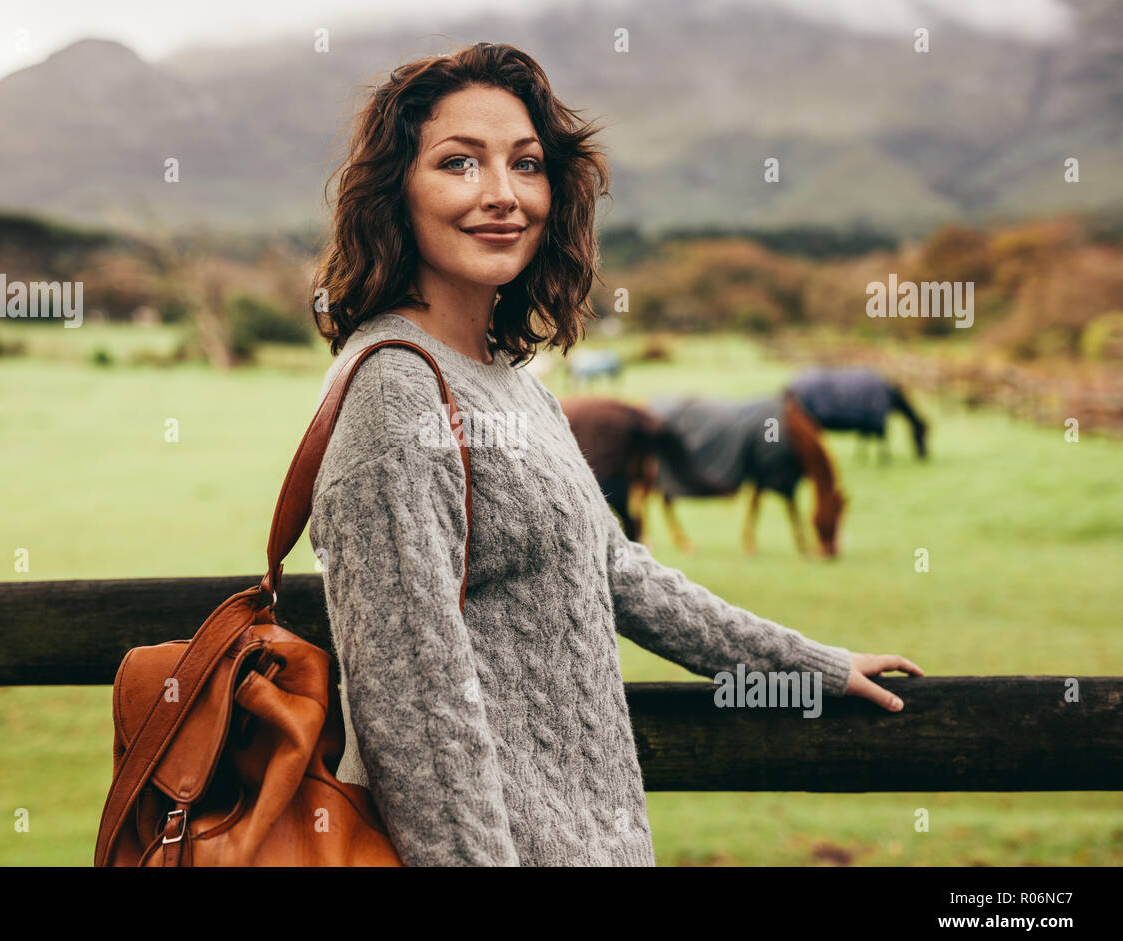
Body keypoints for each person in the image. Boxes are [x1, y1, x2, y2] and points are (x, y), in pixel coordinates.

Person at [306, 41, 922, 866]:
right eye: (459, 163)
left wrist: (808, 665)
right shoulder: (397, 395)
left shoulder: (513, 384)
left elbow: (621, 574)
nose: (502, 195)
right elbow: (411, 711)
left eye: (526, 165)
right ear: (396, 195)